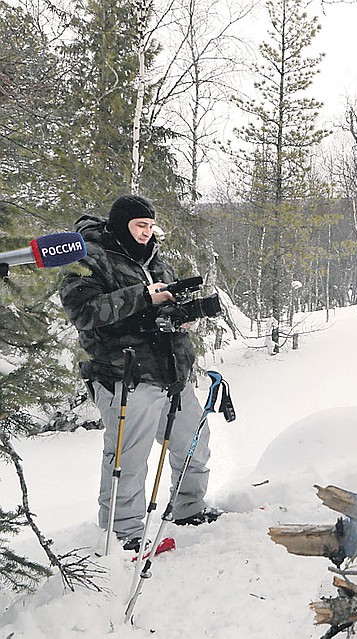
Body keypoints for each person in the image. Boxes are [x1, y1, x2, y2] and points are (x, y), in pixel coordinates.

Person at [60, 194, 221, 551]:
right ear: (121, 225)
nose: (147, 233)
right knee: (127, 458)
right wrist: (144, 297)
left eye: (150, 226)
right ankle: (123, 534)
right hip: (124, 375)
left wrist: (183, 315)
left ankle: (189, 508)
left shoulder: (156, 263)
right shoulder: (88, 257)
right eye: (139, 225)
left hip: (172, 373)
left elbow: (164, 310)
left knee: (193, 443)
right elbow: (82, 312)